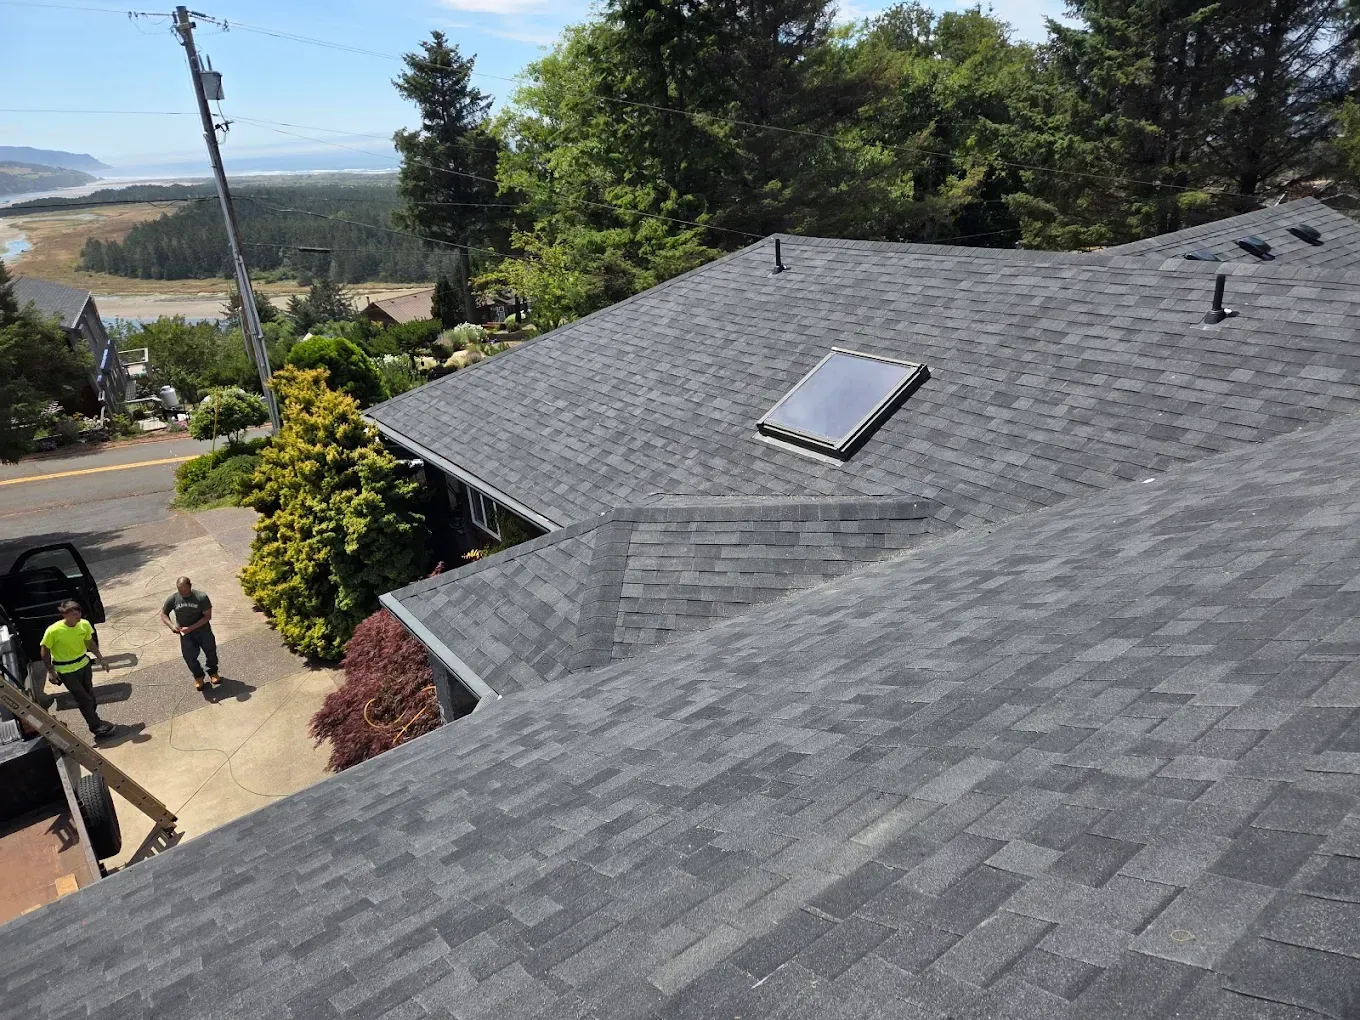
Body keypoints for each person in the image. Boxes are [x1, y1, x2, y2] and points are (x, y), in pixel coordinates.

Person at [40, 600, 115, 740]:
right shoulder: (53, 631)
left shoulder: (84, 625)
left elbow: (89, 643)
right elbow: (45, 650)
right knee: (84, 699)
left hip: (84, 665)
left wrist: (101, 658)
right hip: (66, 671)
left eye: (79, 612)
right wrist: (51, 671)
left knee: (91, 697)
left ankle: (93, 718)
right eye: (74, 613)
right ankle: (96, 726)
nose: (78, 615)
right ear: (64, 615)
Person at [160, 576, 219, 691]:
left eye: (184, 589)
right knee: (189, 657)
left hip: (203, 631)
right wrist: (172, 626)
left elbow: (207, 616)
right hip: (186, 634)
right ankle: (198, 676)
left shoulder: (201, 597)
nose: (182, 592)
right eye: (179, 590)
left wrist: (191, 628)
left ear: (190, 586)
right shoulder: (173, 598)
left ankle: (213, 673)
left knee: (210, 652)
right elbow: (163, 614)